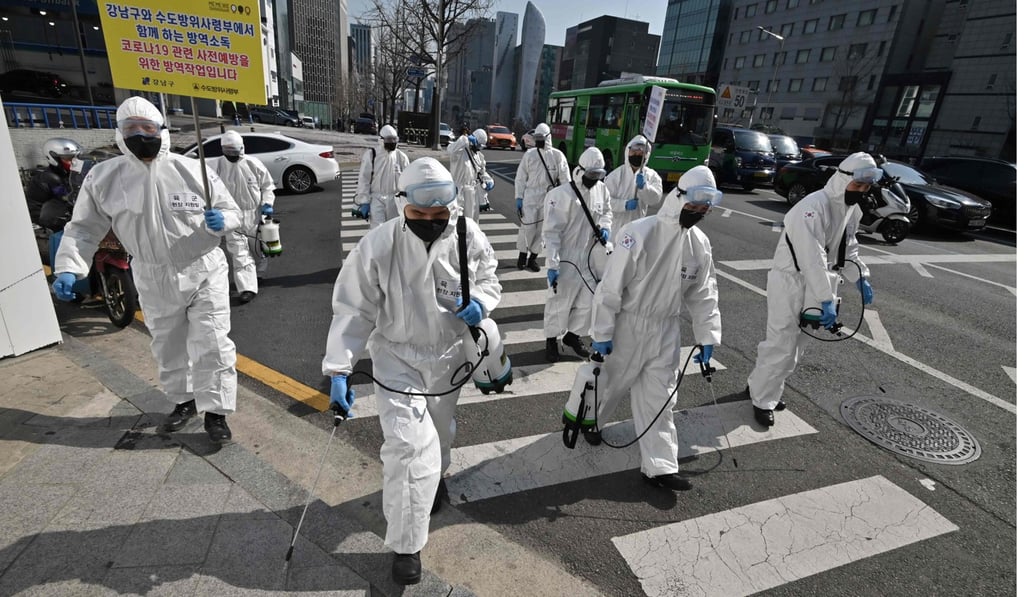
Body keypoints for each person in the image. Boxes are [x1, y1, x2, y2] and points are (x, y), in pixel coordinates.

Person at [322, 157, 501, 585]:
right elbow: (352, 309)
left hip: (448, 356)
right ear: (402, 203)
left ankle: (436, 477)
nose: (429, 222)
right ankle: (407, 545)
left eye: (438, 214)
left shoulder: (467, 234)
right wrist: (339, 370)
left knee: (438, 434)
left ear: (451, 207)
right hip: (396, 359)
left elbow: (490, 277)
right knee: (406, 447)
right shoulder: (378, 244)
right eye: (419, 214)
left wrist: (481, 301)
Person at [51, 96, 242, 443]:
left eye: (148, 127)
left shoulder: (191, 170)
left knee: (212, 342)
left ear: (161, 130)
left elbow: (232, 210)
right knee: (167, 344)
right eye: (132, 128)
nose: (141, 134)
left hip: (203, 269)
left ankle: (216, 412)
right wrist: (67, 266)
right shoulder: (105, 177)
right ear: (120, 133)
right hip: (152, 273)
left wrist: (223, 220)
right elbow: (82, 228)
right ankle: (184, 402)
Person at [588, 166, 722, 491]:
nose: (701, 211)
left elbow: (705, 293)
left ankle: (659, 466)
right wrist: (602, 333)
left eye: (707, 206)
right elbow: (611, 287)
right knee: (611, 385)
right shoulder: (640, 232)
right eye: (696, 204)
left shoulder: (699, 245)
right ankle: (590, 420)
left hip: (665, 330)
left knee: (660, 398)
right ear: (679, 198)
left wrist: (707, 334)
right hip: (628, 326)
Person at [746, 152, 879, 427]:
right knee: (781, 343)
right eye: (858, 185)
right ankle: (762, 399)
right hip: (790, 280)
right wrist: (825, 298)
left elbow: (848, 247)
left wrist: (860, 277)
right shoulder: (813, 207)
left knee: (797, 346)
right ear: (843, 179)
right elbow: (811, 256)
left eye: (866, 187)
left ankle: (763, 387)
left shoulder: (849, 209)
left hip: (818, 282)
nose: (862, 191)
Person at [541, 146, 611, 361]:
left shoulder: (602, 190)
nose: (595, 179)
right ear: (580, 171)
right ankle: (551, 340)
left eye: (599, 175)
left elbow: (607, 212)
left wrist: (606, 227)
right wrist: (553, 264)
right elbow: (551, 233)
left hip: (589, 258)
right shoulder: (560, 195)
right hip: (566, 258)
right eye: (591, 175)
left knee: (589, 302)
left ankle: (573, 336)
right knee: (560, 301)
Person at [209, 130, 276, 304]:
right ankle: (247, 288)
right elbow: (208, 190)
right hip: (230, 216)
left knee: (257, 248)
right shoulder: (216, 167)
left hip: (253, 214)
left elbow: (268, 186)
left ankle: (259, 273)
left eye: (235, 150)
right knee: (239, 252)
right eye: (228, 151)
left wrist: (267, 203)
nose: (232, 154)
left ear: (242, 148)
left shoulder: (253, 164)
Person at [514, 123, 570, 272]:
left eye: (541, 138)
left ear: (548, 138)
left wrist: (565, 202)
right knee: (527, 227)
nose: (538, 140)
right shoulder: (530, 154)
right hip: (530, 197)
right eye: (536, 137)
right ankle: (522, 256)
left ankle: (532, 259)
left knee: (542, 230)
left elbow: (565, 181)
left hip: (549, 199)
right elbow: (521, 177)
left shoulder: (558, 156)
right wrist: (519, 197)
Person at [604, 135, 663, 236]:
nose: (637, 155)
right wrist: (624, 205)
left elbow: (655, 199)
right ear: (628, 152)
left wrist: (645, 187)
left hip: (637, 228)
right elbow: (604, 200)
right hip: (615, 228)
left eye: (641, 153)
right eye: (634, 152)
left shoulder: (652, 176)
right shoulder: (616, 175)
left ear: (646, 155)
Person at [353, 125, 409, 229]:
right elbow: (364, 179)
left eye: (394, 139)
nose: (392, 142)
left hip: (395, 201)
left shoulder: (401, 157)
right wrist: (364, 201)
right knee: (378, 230)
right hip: (377, 199)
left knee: (394, 230)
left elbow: (407, 182)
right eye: (388, 139)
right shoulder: (371, 155)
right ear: (381, 140)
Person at [25, 137, 81, 224]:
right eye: (68, 158)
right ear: (54, 158)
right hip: (47, 223)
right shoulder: (49, 179)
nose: (73, 162)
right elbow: (66, 199)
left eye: (75, 158)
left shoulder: (70, 174)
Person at [447, 127, 494, 221]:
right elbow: (450, 150)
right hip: (458, 191)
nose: (479, 148)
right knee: (456, 221)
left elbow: (482, 172)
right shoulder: (460, 151)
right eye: (478, 145)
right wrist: (465, 139)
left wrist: (489, 180)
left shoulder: (479, 156)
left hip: (472, 193)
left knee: (472, 222)